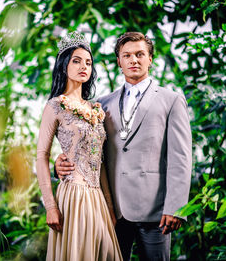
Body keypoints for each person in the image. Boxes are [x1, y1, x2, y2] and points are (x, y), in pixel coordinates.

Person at [55, 32, 192, 260]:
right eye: (127, 55)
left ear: (150, 58)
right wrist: (60, 163)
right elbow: (86, 147)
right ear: (119, 61)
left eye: (140, 54)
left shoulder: (171, 100)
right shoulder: (101, 104)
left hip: (156, 210)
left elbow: (181, 158)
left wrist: (175, 207)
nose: (134, 60)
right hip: (110, 210)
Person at [36, 31, 122, 260]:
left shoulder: (96, 110)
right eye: (76, 61)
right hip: (73, 196)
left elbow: (99, 161)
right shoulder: (54, 106)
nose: (84, 66)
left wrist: (110, 207)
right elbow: (41, 155)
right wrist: (50, 207)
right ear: (64, 65)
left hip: (98, 200)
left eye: (88, 62)